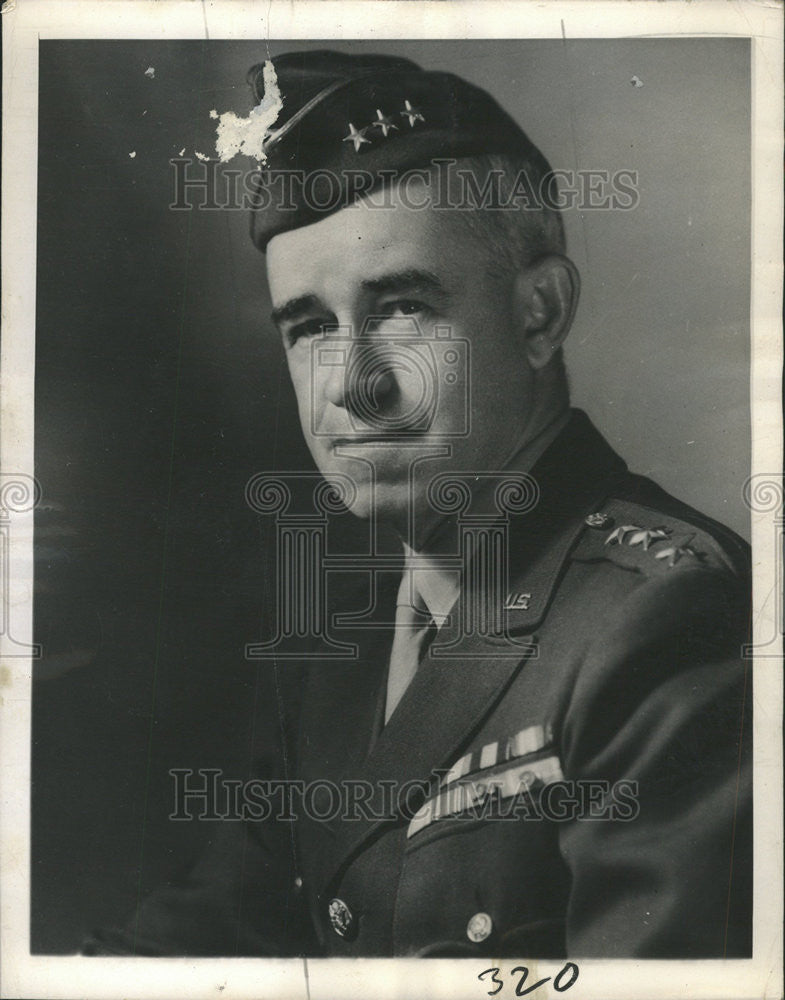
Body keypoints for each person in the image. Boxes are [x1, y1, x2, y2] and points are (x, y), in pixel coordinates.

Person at [85, 49, 751, 959]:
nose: (351, 388)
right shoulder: (341, 636)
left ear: (539, 314)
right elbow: (219, 929)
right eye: (310, 326)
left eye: (401, 307)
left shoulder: (665, 619)